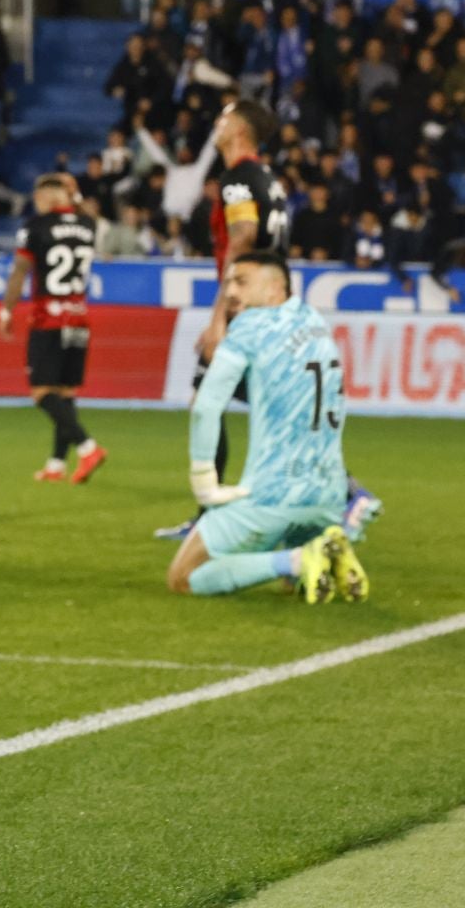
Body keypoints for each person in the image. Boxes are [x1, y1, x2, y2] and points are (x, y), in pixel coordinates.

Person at [165, 252, 368, 604]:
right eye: (228, 282)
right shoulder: (315, 320)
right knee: (295, 584)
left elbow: (205, 407)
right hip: (329, 494)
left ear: (275, 289)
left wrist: (204, 482)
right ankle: (323, 552)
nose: (229, 291)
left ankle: (295, 558)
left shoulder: (251, 326)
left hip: (273, 495)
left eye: (241, 282)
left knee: (183, 577)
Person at [154, 98, 288, 540]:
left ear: (241, 131)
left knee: (215, 406)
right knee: (228, 405)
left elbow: (243, 239)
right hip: (267, 308)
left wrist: (220, 318)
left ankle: (343, 493)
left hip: (246, 311)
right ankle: (210, 518)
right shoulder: (267, 179)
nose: (217, 123)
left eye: (223, 117)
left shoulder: (238, 178)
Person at [0, 174, 104, 483]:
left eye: (39, 197)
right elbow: (83, 212)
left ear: (48, 199)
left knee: (43, 393)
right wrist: (73, 195)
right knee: (66, 394)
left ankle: (88, 447)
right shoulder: (88, 225)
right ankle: (57, 465)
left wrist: (6, 310)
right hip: (79, 319)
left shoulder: (36, 226)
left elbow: (20, 271)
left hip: (49, 318)